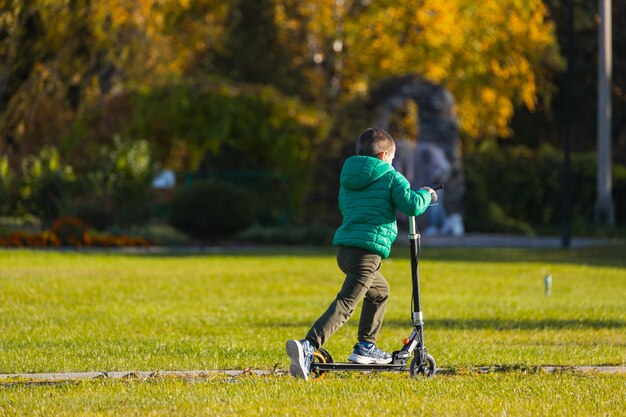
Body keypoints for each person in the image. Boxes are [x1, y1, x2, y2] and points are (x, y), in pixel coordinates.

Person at [286, 127, 436, 380]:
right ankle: (308, 345)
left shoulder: (349, 178)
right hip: (367, 253)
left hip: (345, 251)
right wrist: (426, 194)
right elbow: (410, 204)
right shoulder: (391, 176)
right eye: (391, 158)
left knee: (380, 292)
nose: (392, 162)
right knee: (346, 303)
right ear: (384, 155)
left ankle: (366, 347)